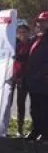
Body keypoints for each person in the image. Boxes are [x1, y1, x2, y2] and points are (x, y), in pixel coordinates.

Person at [26, 12, 48, 141]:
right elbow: (30, 56)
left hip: (44, 79)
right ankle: (36, 130)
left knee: (44, 107)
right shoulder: (36, 38)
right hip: (33, 79)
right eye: (39, 21)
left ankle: (45, 133)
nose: (40, 23)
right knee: (34, 107)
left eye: (44, 21)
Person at [12, 23, 32, 137]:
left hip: (24, 78)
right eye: (19, 32)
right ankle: (4, 126)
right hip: (12, 77)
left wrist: (18, 57)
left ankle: (20, 129)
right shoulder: (14, 43)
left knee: (21, 104)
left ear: (28, 33)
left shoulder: (32, 44)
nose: (22, 34)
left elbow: (29, 57)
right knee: (7, 103)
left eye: (24, 32)